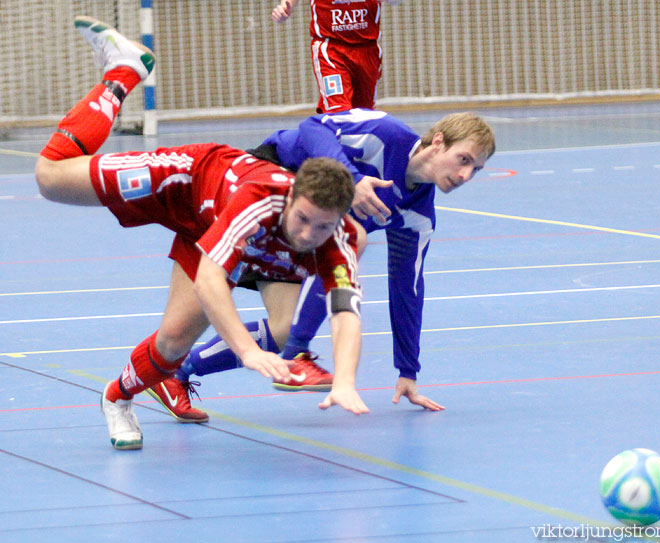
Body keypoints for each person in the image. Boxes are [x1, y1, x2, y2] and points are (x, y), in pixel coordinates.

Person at [34, 16, 370, 450]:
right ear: (290, 198)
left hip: (212, 227)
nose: (308, 235)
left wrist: (344, 380)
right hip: (186, 179)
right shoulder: (260, 203)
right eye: (302, 219)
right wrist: (248, 352)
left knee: (174, 343)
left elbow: (345, 312)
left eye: (322, 227)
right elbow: (214, 280)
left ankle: (117, 397)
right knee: (49, 177)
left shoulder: (342, 237)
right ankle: (124, 72)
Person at [150, 107, 496, 420]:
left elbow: (407, 289)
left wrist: (408, 371)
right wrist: (353, 179)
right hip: (269, 178)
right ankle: (295, 354)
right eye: (463, 159)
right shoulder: (384, 134)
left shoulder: (417, 215)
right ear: (438, 142)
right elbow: (314, 126)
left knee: (285, 323)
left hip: (309, 233)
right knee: (351, 238)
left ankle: (178, 373)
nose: (466, 175)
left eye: (476, 169)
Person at [271, 0, 403, 113]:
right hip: (330, 49)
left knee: (364, 114)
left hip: (367, 49)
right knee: (338, 111)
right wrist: (284, 7)